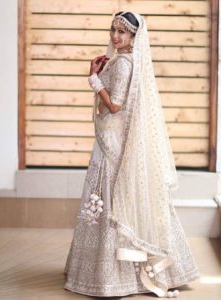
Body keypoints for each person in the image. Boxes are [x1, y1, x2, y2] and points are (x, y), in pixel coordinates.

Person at [64, 12, 199, 298]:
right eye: (114, 30)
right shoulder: (126, 62)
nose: (116, 36)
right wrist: (100, 73)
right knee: (120, 200)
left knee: (111, 201)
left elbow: (115, 106)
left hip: (114, 145)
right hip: (116, 140)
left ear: (135, 37)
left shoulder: (125, 64)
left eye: (123, 32)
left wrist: (93, 79)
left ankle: (116, 276)